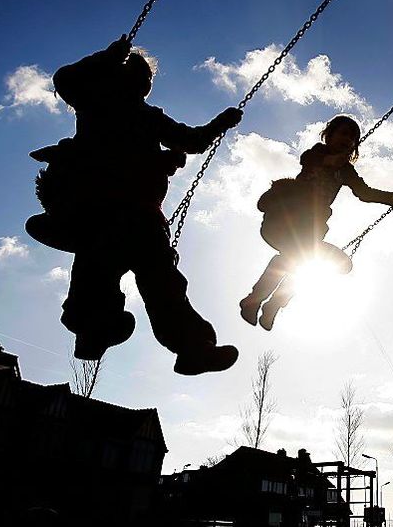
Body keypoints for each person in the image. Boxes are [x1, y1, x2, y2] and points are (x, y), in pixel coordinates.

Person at [26, 36, 242, 374]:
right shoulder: (95, 102)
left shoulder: (138, 114)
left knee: (135, 281)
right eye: (140, 77)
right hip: (111, 214)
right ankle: (172, 344)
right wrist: (107, 57)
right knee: (149, 285)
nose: (144, 85)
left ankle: (185, 348)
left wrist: (220, 124)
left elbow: (193, 141)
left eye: (147, 81)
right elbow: (64, 79)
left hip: (126, 218)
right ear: (117, 77)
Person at [240, 115, 393, 329]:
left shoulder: (346, 171)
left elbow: (364, 193)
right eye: (343, 133)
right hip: (283, 221)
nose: (347, 140)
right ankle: (254, 299)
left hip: (307, 232)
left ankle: (274, 303)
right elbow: (308, 159)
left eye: (352, 138)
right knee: (294, 257)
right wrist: (330, 161)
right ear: (329, 135)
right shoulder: (318, 152)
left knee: (310, 263)